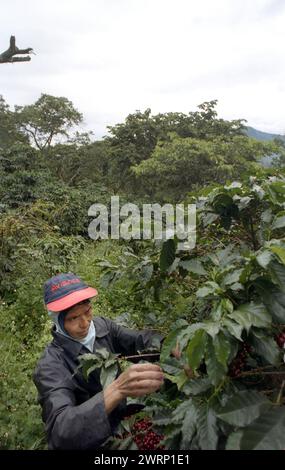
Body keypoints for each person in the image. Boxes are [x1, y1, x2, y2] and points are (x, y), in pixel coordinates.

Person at [33, 272, 164, 450]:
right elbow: (61, 431)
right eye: (73, 318)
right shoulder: (51, 365)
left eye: (87, 312)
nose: (85, 323)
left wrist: (171, 345)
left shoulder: (102, 327)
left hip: (123, 426)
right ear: (58, 321)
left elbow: (139, 340)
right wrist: (117, 389)